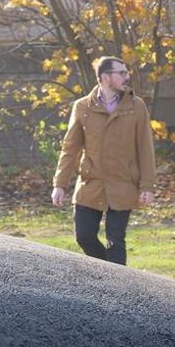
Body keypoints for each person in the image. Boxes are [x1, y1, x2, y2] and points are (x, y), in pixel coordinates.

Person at [50, 56, 156, 265]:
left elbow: (145, 149)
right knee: (84, 236)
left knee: (115, 241)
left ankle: (118, 282)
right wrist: (59, 185)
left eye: (126, 72)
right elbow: (70, 149)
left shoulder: (136, 107)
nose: (127, 77)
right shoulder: (83, 107)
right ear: (105, 77)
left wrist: (147, 186)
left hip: (123, 183)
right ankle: (110, 273)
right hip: (91, 184)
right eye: (121, 73)